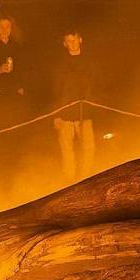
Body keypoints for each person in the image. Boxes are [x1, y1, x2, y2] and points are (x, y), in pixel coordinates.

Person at [48, 29, 101, 173]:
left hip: (86, 112)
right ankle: (69, 182)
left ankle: (87, 177)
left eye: (74, 39)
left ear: (80, 40)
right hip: (65, 115)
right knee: (67, 151)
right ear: (65, 44)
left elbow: (95, 85)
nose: (72, 43)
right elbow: (56, 91)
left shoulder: (90, 62)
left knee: (89, 148)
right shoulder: (60, 65)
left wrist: (92, 104)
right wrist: (56, 115)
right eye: (69, 41)